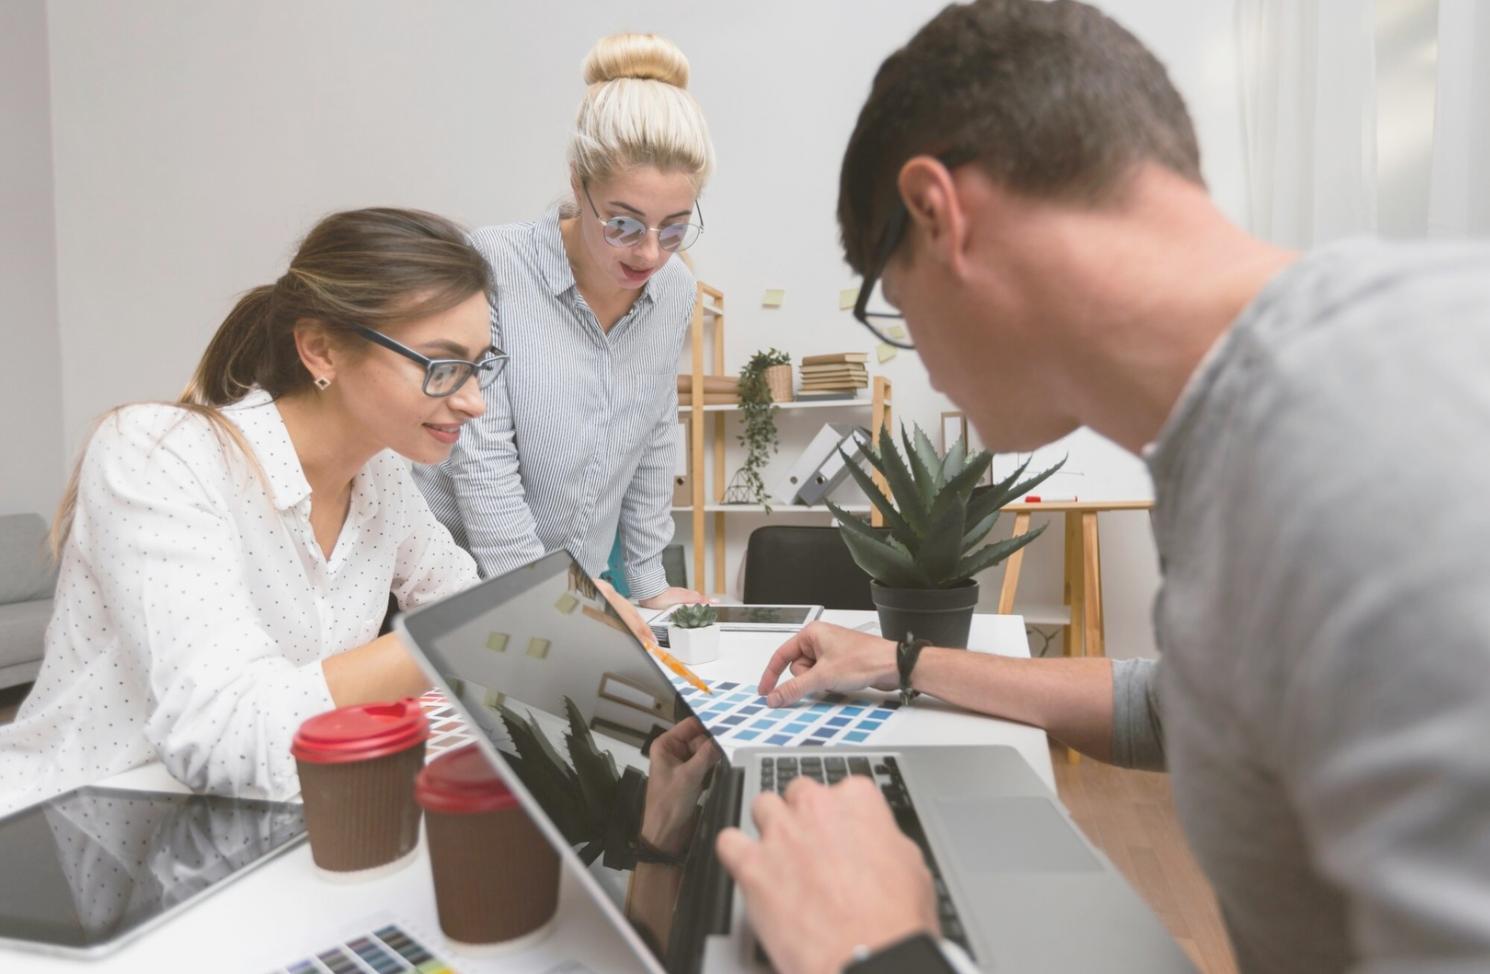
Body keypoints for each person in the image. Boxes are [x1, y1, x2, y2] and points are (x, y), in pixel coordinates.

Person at [714, 2, 1490, 973]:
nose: (916, 351)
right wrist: (898, 662)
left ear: (937, 214)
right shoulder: (1287, 402)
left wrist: (875, 949)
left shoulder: (1360, 456)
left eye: (891, 301)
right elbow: (1178, 706)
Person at [0, 208, 505, 815]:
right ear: (321, 349)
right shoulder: (158, 454)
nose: (474, 401)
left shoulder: (381, 481)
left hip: (252, 823)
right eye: (441, 366)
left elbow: (468, 607)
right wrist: (462, 638)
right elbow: (227, 738)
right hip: (74, 831)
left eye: (478, 367)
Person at [415, 33, 713, 610]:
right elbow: (482, 457)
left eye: (674, 228)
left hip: (580, 587)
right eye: (624, 224)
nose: (648, 254)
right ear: (579, 183)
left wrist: (648, 584)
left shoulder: (674, 291)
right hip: (460, 585)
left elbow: (654, 435)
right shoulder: (497, 264)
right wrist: (550, 599)